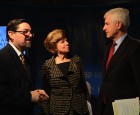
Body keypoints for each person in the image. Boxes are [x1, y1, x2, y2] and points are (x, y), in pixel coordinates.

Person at [0, 19, 49, 115]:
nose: (30, 35)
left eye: (30, 32)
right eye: (25, 32)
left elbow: (21, 85)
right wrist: (30, 96)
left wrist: (36, 93)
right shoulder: (2, 58)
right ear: (11, 34)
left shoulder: (25, 58)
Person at [97, 7, 140, 115]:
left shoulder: (135, 47)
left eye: (107, 24)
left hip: (125, 110)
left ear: (118, 24)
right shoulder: (108, 47)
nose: (103, 28)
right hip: (105, 108)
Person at [40, 29, 90, 115]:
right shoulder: (47, 65)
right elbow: (46, 91)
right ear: (54, 46)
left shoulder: (76, 60)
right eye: (62, 42)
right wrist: (46, 112)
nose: (67, 43)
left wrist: (87, 102)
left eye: (66, 40)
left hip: (79, 109)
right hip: (58, 110)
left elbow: (83, 85)